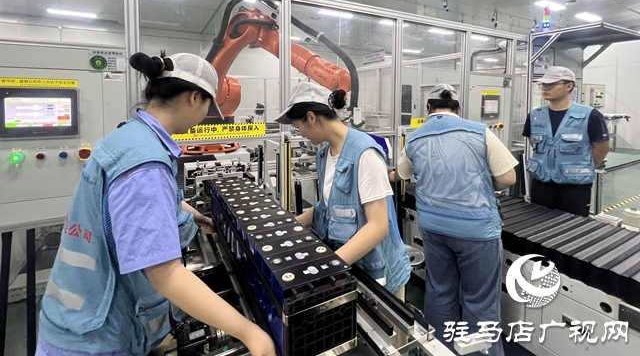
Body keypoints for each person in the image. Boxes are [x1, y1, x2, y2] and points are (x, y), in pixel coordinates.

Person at [37, 52, 276, 356]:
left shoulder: (130, 137)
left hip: (77, 318)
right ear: (194, 98)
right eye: (208, 106)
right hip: (96, 338)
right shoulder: (146, 165)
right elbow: (166, 275)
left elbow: (139, 206)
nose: (205, 116)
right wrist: (250, 332)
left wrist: (195, 216)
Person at [389, 84, 517, 356]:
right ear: (458, 109)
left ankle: (439, 350)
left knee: (439, 291)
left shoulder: (415, 137)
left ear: (428, 109)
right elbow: (508, 178)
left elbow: (402, 174)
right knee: (479, 299)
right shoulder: (479, 132)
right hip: (476, 230)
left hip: (433, 227)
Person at [276, 82, 411, 295]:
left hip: (379, 277)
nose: (299, 133)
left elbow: (378, 226)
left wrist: (328, 267)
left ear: (311, 117)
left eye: (297, 126)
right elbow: (325, 208)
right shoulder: (324, 156)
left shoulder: (365, 154)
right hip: (350, 268)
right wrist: (285, 228)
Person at [523, 66, 609, 217]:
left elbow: (602, 147)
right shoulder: (535, 115)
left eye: (552, 84)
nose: (545, 88)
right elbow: (534, 143)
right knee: (539, 225)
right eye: (543, 84)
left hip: (574, 188)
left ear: (569, 86)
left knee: (572, 227)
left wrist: (584, 165)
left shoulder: (590, 115)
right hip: (541, 185)